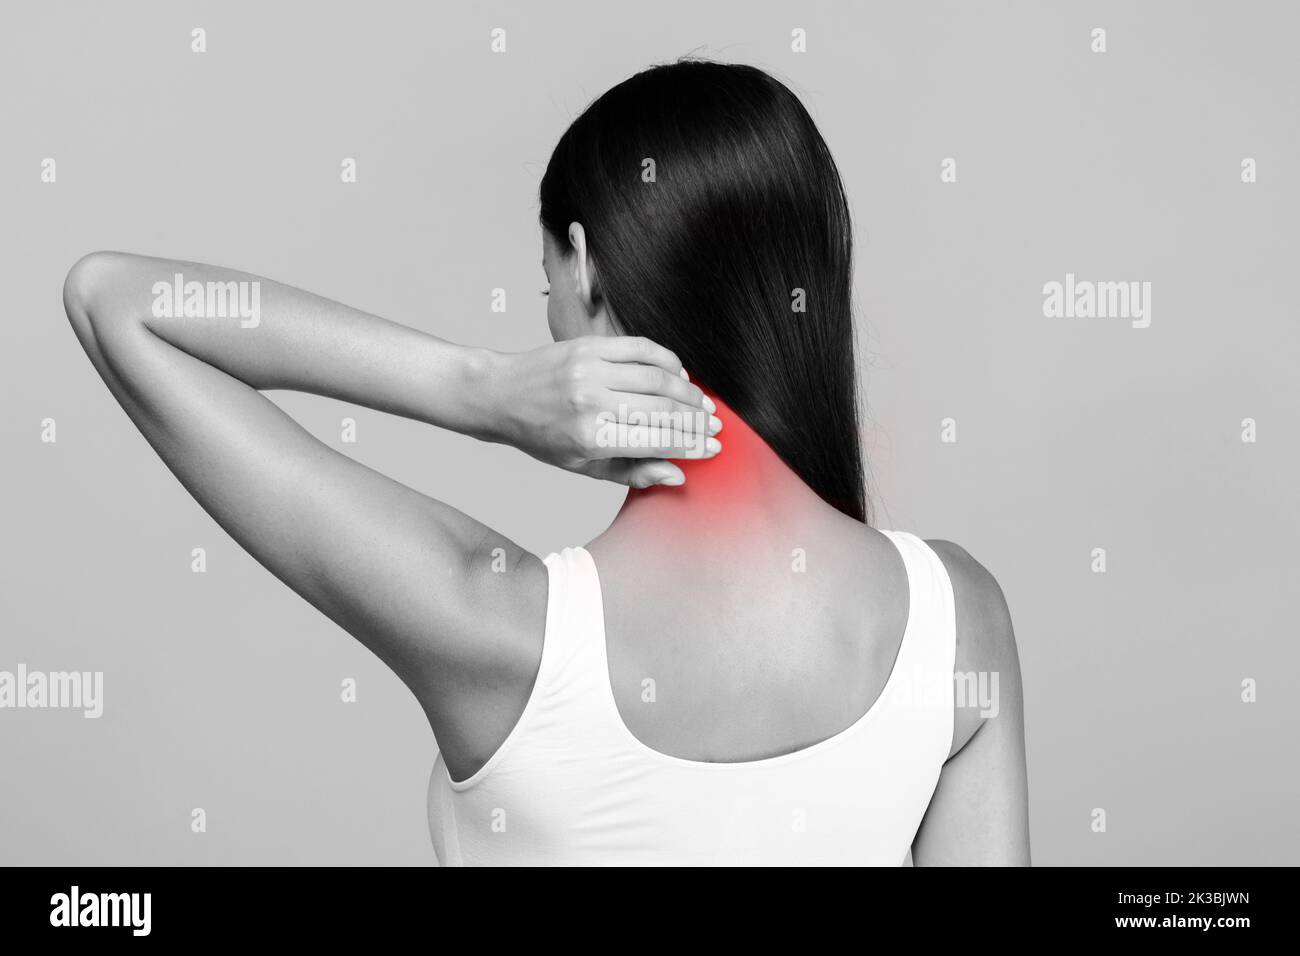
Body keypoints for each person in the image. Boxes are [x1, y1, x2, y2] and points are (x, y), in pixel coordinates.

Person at [62, 58, 1028, 865]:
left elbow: (117, 302)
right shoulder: (957, 620)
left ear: (587, 265)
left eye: (545, 288)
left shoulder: (494, 624)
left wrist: (480, 392)